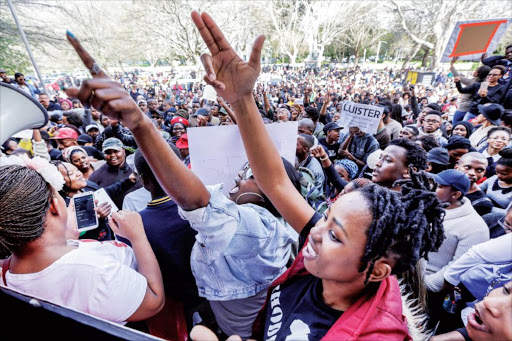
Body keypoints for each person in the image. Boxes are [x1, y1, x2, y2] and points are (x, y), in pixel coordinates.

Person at [186, 12, 445, 340]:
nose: (315, 232)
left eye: (335, 236)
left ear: (378, 270)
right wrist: (242, 101)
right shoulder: (324, 254)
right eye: (326, 219)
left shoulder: (372, 335)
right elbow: (276, 181)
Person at [0, 156, 164, 323]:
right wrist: (137, 236)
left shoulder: (6, 269)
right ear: (55, 206)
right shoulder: (96, 272)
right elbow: (154, 301)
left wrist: (68, 235)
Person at [426, 169, 489, 330]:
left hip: (430, 293)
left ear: (455, 195)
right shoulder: (429, 206)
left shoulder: (475, 227)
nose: (432, 189)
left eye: (439, 186)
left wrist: (426, 285)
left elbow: (458, 266)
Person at [88, 137, 141, 208]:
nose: (112, 155)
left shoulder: (136, 168)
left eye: (116, 151)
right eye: (108, 153)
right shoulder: (96, 176)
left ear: (124, 152)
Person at [450, 58, 491, 124]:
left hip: (463, 109)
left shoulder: (472, 82)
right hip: (474, 110)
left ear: (477, 73)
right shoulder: (487, 84)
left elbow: (458, 76)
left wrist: (451, 64)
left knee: (456, 126)